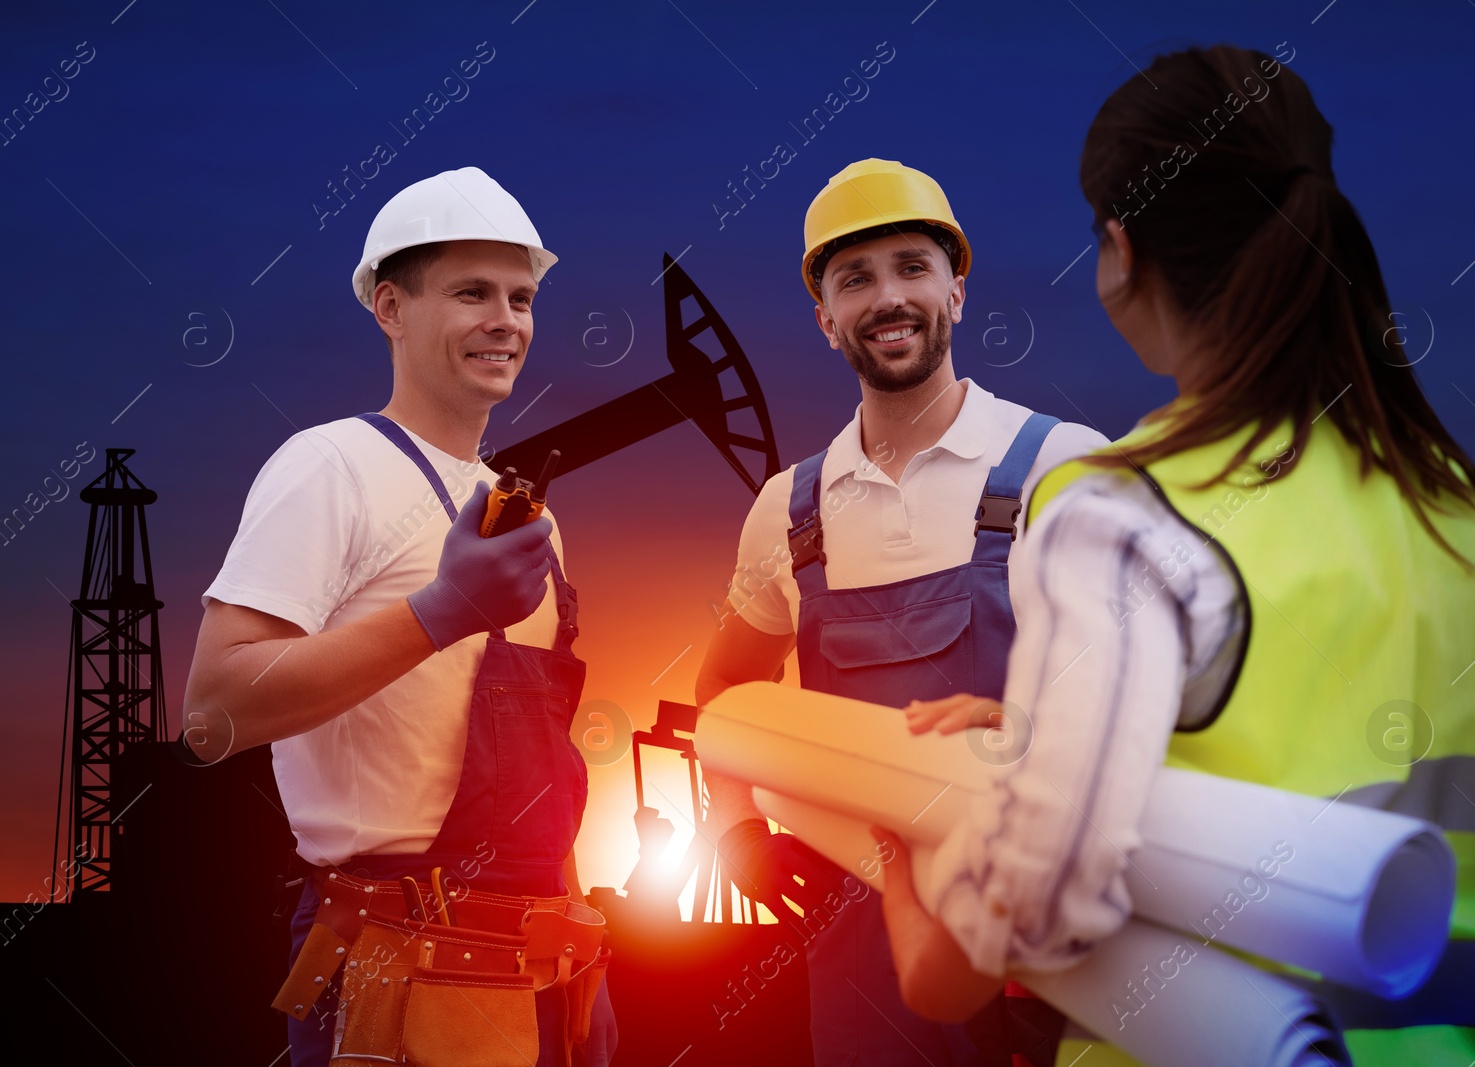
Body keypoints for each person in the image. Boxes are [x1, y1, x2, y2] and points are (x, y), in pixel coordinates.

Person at [871, 45, 1475, 1067]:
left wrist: (903, 856)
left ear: (1121, 250)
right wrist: (1039, 731)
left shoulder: (1114, 508)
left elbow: (990, 947)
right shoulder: (1453, 511)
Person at [182, 167, 616, 1067]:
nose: (507, 320)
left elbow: (539, 756)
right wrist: (443, 610)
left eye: (522, 297)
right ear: (390, 307)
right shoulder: (328, 467)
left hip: (543, 966)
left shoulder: (529, 514)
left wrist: (585, 953)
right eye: (472, 293)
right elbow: (211, 713)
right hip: (390, 964)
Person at [696, 157, 1107, 1066]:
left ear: (957, 288)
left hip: (1046, 946)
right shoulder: (788, 513)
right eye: (855, 279)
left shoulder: (1064, 468)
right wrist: (734, 832)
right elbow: (725, 688)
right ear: (825, 316)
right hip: (859, 959)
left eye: (912, 268)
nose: (888, 297)